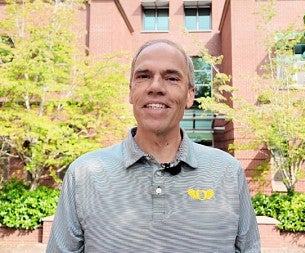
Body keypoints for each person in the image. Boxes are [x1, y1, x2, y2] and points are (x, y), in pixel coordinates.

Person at [46, 39, 261, 252]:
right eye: (144, 76)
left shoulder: (227, 172)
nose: (156, 87)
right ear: (131, 92)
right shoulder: (84, 174)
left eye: (171, 78)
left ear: (190, 95)